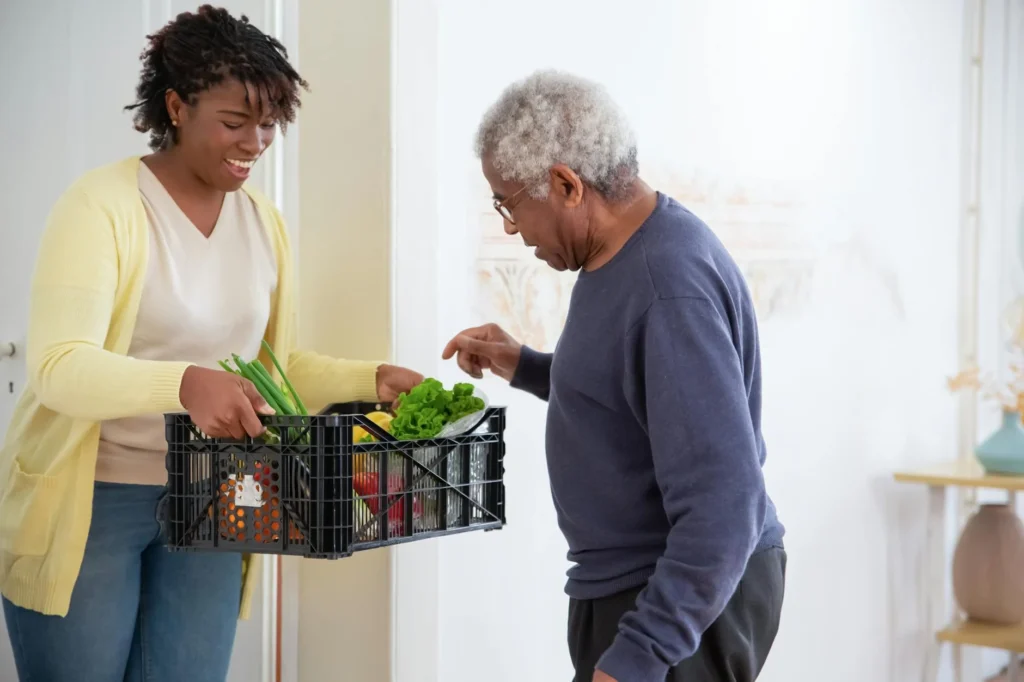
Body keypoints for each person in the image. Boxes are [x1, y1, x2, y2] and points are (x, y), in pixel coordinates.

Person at [0, 6, 422, 681]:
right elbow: (59, 367)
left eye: (269, 124)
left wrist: (368, 378)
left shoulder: (263, 224)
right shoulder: (101, 206)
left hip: (216, 491)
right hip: (92, 497)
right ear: (176, 106)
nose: (255, 142)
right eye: (234, 122)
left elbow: (265, 371)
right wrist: (184, 383)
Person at [443, 70, 787, 682]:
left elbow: (725, 505)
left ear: (566, 184)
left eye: (509, 202)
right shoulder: (622, 256)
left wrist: (641, 653)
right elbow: (634, 395)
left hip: (673, 598)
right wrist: (523, 364)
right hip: (641, 587)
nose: (509, 226)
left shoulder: (666, 288)